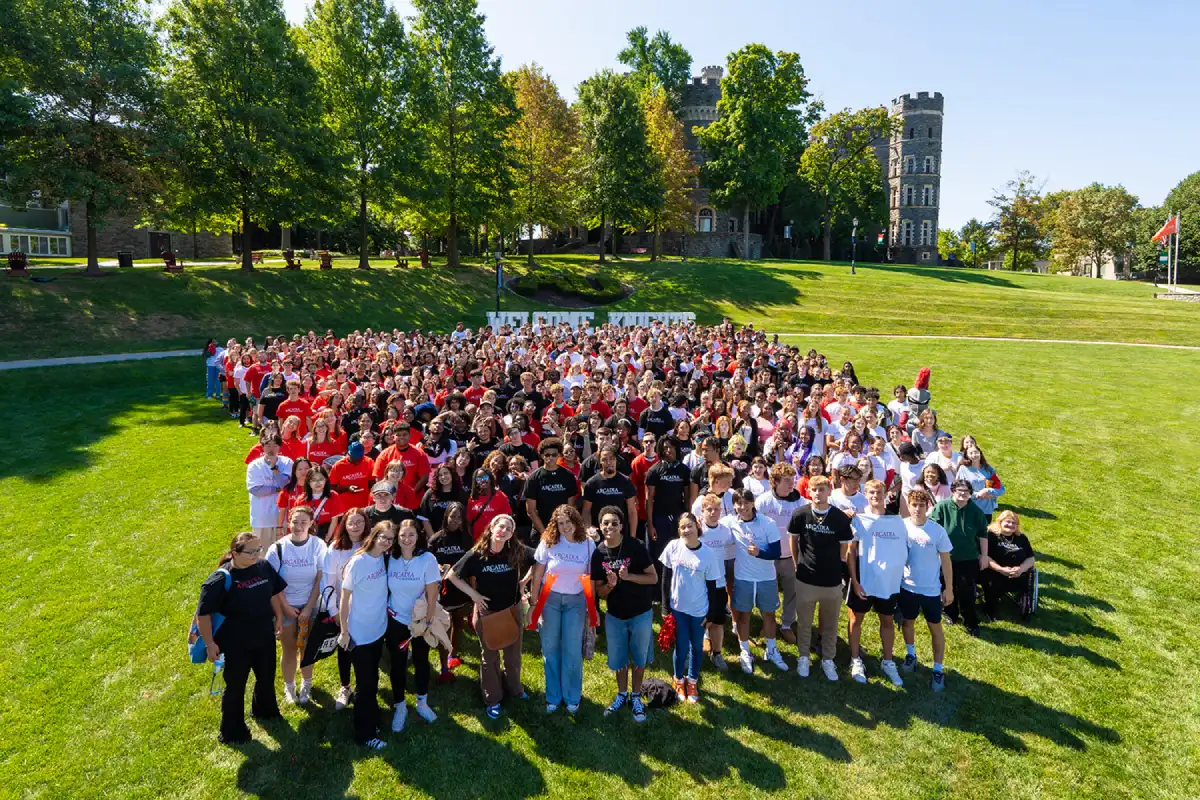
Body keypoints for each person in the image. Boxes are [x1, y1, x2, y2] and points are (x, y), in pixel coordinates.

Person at [195, 532, 287, 744]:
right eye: (251, 551)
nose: (257, 554)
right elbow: (203, 614)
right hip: (236, 644)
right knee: (235, 687)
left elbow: (273, 592)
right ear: (235, 553)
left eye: (259, 549)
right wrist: (210, 644)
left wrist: (279, 617)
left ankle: (265, 711)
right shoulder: (220, 578)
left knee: (266, 677)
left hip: (264, 636)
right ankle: (232, 731)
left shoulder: (263, 567)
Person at [449, 514, 533, 719]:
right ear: (492, 527)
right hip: (488, 614)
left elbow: (539, 558)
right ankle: (493, 698)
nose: (503, 531)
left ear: (512, 534)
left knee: (513, 656)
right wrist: (474, 595)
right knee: (490, 658)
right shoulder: (477, 554)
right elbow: (452, 575)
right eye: (501, 526)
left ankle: (515, 688)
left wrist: (525, 581)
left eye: (509, 529)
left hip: (511, 610)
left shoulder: (516, 550)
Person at [591, 505, 656, 722]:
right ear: (600, 526)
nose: (609, 526)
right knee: (619, 660)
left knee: (639, 658)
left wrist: (629, 577)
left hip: (640, 612)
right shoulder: (598, 552)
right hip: (615, 615)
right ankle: (621, 694)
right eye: (605, 523)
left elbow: (653, 578)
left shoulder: (635, 546)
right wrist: (609, 586)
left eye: (614, 523)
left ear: (621, 526)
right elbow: (599, 592)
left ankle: (636, 696)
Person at [529, 504, 595, 713]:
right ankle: (553, 697)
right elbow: (538, 575)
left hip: (576, 602)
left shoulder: (587, 545)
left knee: (572, 650)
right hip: (550, 600)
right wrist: (534, 604)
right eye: (560, 523)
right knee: (550, 650)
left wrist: (592, 609)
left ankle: (572, 696)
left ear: (576, 521)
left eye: (568, 522)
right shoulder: (548, 543)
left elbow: (591, 578)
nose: (565, 526)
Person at [788, 475, 853, 681]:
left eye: (822, 489)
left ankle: (828, 659)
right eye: (814, 489)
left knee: (831, 623)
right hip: (806, 578)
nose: (818, 493)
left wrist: (835, 562)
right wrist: (797, 564)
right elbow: (794, 541)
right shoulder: (800, 514)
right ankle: (804, 657)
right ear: (809, 491)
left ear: (829, 490)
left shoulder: (840, 518)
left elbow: (845, 546)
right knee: (805, 622)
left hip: (832, 580)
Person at [338, 521, 395, 750]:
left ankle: (372, 719)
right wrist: (343, 631)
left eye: (391, 539)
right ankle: (365, 734)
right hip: (359, 634)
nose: (388, 542)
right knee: (366, 684)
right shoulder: (358, 562)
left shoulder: (383, 557)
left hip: (378, 630)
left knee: (372, 680)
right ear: (375, 535)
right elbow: (344, 599)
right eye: (384, 537)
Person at [846, 479, 908, 686]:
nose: (875, 496)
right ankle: (855, 659)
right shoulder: (859, 520)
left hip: (888, 583)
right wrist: (854, 581)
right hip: (864, 581)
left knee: (887, 621)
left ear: (885, 495)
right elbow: (851, 552)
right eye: (871, 492)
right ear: (866, 494)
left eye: (879, 493)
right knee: (856, 620)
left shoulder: (897, 521)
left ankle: (888, 661)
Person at [659, 512, 724, 703]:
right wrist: (665, 608)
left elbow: (713, 587)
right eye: (682, 527)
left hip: (699, 611)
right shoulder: (673, 547)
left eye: (690, 526)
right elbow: (665, 579)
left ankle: (692, 681)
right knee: (680, 648)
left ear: (697, 526)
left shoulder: (708, 555)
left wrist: (710, 614)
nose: (686, 530)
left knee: (696, 647)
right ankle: (678, 680)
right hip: (678, 608)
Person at [265, 506, 327, 704]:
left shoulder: (318, 545)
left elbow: (320, 578)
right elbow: (273, 583)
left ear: (311, 524)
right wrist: (285, 608)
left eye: (303, 522)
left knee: (307, 648)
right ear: (288, 522)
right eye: (295, 522)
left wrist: (308, 608)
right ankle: (289, 686)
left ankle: (306, 684)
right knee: (289, 648)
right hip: (285, 606)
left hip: (311, 604)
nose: (298, 526)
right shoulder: (277, 549)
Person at [384, 518, 441, 732]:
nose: (407, 539)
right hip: (396, 619)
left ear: (418, 537)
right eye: (403, 535)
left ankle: (422, 702)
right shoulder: (390, 558)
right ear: (397, 538)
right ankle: (400, 706)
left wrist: (428, 620)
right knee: (397, 664)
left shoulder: (427, 559)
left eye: (411, 535)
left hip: (419, 620)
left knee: (421, 660)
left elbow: (432, 593)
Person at [897, 488, 954, 691]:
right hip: (907, 587)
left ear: (927, 507)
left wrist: (949, 589)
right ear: (909, 506)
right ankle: (911, 654)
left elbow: (947, 562)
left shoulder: (937, 530)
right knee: (908, 622)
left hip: (931, 590)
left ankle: (938, 669)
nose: (917, 509)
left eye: (922, 506)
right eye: (914, 505)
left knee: (935, 628)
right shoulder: (901, 527)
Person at [726, 488, 787, 674]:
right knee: (743, 617)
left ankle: (772, 650)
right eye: (738, 503)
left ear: (753, 503)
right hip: (743, 578)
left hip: (766, 578)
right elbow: (709, 527)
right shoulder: (729, 522)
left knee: (769, 615)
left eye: (746, 502)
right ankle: (745, 652)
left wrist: (760, 553)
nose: (742, 507)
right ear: (734, 505)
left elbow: (776, 552)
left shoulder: (767, 523)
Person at [754, 463, 808, 646]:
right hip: (768, 557)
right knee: (768, 593)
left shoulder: (800, 501)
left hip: (790, 557)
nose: (791, 484)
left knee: (791, 593)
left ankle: (786, 624)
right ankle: (768, 621)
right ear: (774, 482)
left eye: (792, 481)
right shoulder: (763, 501)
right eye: (786, 481)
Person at [930, 479, 990, 635]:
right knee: (946, 586)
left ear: (971, 494)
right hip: (944, 557)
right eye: (959, 491)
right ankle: (950, 613)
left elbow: (983, 535)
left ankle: (970, 621)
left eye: (966, 491)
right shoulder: (942, 507)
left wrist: (984, 555)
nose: (963, 494)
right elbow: (933, 528)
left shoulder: (976, 512)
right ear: (953, 491)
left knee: (966, 590)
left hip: (967, 557)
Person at [322, 508, 367, 711]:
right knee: (345, 647)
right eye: (351, 522)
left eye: (359, 522)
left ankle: (363, 686)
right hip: (344, 609)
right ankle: (345, 686)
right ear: (344, 525)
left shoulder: (372, 546)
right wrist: (333, 610)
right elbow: (328, 581)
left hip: (368, 608)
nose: (355, 526)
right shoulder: (335, 548)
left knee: (365, 649)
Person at [428, 502, 473, 681]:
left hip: (461, 588)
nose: (455, 520)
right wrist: (439, 568)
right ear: (446, 516)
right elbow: (428, 562)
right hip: (443, 590)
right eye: (452, 516)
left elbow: (472, 563)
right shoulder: (436, 539)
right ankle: (443, 664)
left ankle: (452, 654)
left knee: (459, 622)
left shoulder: (466, 539)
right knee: (444, 627)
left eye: (459, 517)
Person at [697, 493, 735, 671]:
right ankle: (694, 652)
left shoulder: (725, 531)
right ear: (702, 511)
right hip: (699, 584)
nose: (713, 513)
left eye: (716, 510)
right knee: (698, 621)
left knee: (718, 621)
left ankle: (717, 654)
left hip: (719, 584)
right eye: (709, 510)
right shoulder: (697, 530)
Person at [982, 510, 1037, 619]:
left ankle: (1025, 608)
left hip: (1017, 574)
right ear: (1000, 522)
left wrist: (1020, 569)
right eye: (1008, 522)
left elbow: (1031, 558)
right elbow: (985, 557)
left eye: (1014, 523)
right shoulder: (991, 536)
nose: (1011, 525)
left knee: (1026, 580)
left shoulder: (1021, 538)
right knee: (992, 581)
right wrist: (1001, 569)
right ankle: (990, 610)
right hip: (994, 572)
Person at [523, 438, 579, 538]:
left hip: (564, 530)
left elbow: (571, 507)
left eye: (554, 455)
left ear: (559, 455)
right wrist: (544, 533)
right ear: (542, 456)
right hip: (541, 530)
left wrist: (566, 529)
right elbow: (531, 511)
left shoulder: (568, 475)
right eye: (547, 455)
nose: (551, 458)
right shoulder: (533, 478)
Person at [246, 432, 293, 547]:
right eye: (268, 446)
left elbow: (285, 484)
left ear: (280, 447)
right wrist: (278, 490)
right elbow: (256, 490)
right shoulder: (254, 466)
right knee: (262, 552)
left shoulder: (287, 462)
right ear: (262, 447)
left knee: (283, 552)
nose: (271, 449)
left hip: (282, 518)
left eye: (275, 446)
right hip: (262, 518)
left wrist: (274, 468)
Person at [581, 447, 637, 533]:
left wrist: (632, 537)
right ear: (600, 461)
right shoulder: (592, 483)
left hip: (620, 533)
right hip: (599, 533)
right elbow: (586, 510)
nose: (608, 462)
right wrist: (588, 528)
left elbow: (632, 511)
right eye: (604, 459)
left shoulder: (625, 481)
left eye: (612, 459)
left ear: (616, 460)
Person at [955, 444, 1005, 521]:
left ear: (980, 453)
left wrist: (988, 491)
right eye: (971, 453)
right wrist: (977, 494)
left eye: (976, 452)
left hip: (986, 511)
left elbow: (1001, 489)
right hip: (969, 509)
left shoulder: (988, 469)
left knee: (984, 533)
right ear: (967, 455)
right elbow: (958, 490)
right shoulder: (963, 469)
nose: (974, 455)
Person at [329, 441, 375, 512]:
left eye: (359, 459)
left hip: (364, 506)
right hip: (344, 508)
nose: (356, 461)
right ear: (348, 454)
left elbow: (373, 483)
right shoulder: (338, 466)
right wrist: (347, 488)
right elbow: (331, 487)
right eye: (353, 458)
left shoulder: (369, 462)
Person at [302, 465, 344, 541]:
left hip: (329, 536)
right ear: (308, 482)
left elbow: (334, 520)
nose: (317, 483)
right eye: (313, 480)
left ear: (326, 480)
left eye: (321, 479)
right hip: (308, 536)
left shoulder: (333, 496)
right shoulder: (302, 499)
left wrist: (327, 538)